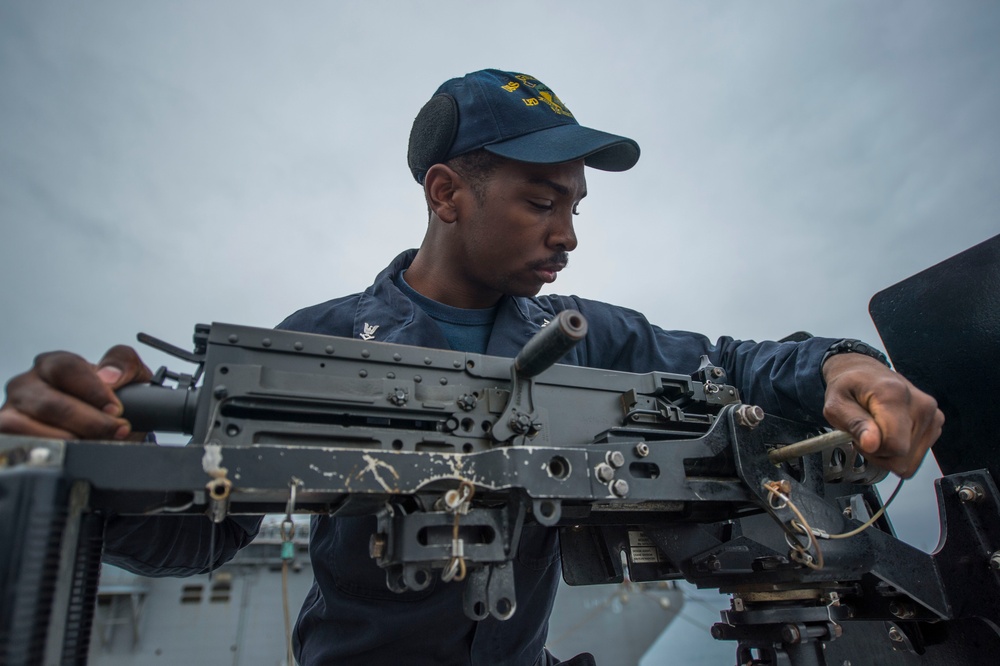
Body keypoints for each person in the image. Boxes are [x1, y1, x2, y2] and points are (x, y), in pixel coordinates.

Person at [0, 69, 943, 666]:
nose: (568, 234)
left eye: (576, 206)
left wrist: (844, 363)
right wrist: (107, 468)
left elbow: (736, 365)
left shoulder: (595, 339)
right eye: (541, 201)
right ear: (447, 194)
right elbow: (205, 535)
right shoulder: (318, 342)